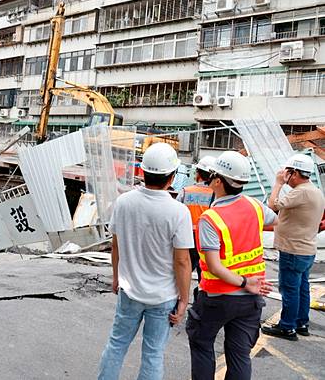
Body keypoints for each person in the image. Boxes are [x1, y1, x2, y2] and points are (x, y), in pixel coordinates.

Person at [98, 143, 193, 380]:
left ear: (142, 172)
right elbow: (182, 262)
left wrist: (116, 276)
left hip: (130, 291)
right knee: (153, 354)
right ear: (171, 177)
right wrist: (184, 299)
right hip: (163, 297)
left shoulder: (124, 202)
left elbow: (116, 245)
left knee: (117, 344)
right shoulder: (178, 212)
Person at [186, 151, 276, 380]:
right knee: (239, 355)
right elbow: (277, 220)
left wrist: (243, 281)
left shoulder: (211, 218)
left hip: (218, 298)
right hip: (250, 299)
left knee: (202, 345)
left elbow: (215, 266)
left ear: (217, 180)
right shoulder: (255, 206)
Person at [262, 154, 325, 340]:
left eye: (288, 172)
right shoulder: (314, 190)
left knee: (289, 289)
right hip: (306, 249)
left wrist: (278, 183)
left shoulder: (301, 192)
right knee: (302, 288)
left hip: (293, 250)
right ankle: (301, 323)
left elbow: (272, 205)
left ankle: (287, 327)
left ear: (294, 173)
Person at [177, 156, 216, 298]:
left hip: (187, 238)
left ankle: (177, 303)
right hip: (206, 240)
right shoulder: (216, 195)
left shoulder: (186, 191)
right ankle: (200, 304)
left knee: (182, 272)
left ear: (198, 173)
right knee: (204, 276)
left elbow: (177, 215)